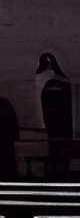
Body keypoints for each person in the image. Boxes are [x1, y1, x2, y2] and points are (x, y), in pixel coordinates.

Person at [38, 52, 73, 181]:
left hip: (53, 124)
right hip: (62, 124)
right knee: (60, 153)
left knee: (55, 152)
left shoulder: (44, 82)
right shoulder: (63, 84)